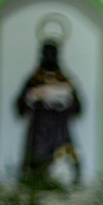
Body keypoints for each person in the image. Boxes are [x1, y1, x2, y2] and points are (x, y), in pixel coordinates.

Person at [16, 40, 81, 181]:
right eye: (47, 54)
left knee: (69, 165)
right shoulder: (34, 80)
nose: (50, 58)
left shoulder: (65, 80)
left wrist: (63, 101)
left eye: (53, 54)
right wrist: (35, 97)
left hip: (60, 130)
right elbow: (20, 107)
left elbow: (78, 109)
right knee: (35, 167)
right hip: (39, 132)